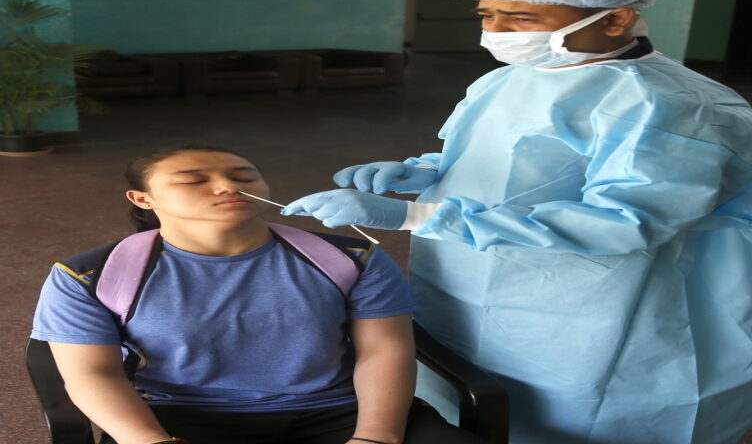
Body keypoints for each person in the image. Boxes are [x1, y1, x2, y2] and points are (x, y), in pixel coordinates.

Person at [282, 0, 752, 443]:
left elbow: (626, 220)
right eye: (488, 14)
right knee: (469, 381)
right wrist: (424, 170)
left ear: (616, 18)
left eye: (521, 17)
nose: (497, 32)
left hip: (608, 296)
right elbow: (508, 155)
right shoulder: (515, 75)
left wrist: (416, 215)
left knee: (587, 408)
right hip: (477, 269)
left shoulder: (670, 104)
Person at [31, 145, 487, 444]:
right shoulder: (88, 275)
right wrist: (150, 442)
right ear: (142, 199)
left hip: (340, 410)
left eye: (244, 176)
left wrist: (374, 438)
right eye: (193, 180)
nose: (229, 186)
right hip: (182, 419)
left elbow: (384, 350)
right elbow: (92, 374)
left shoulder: (351, 258)